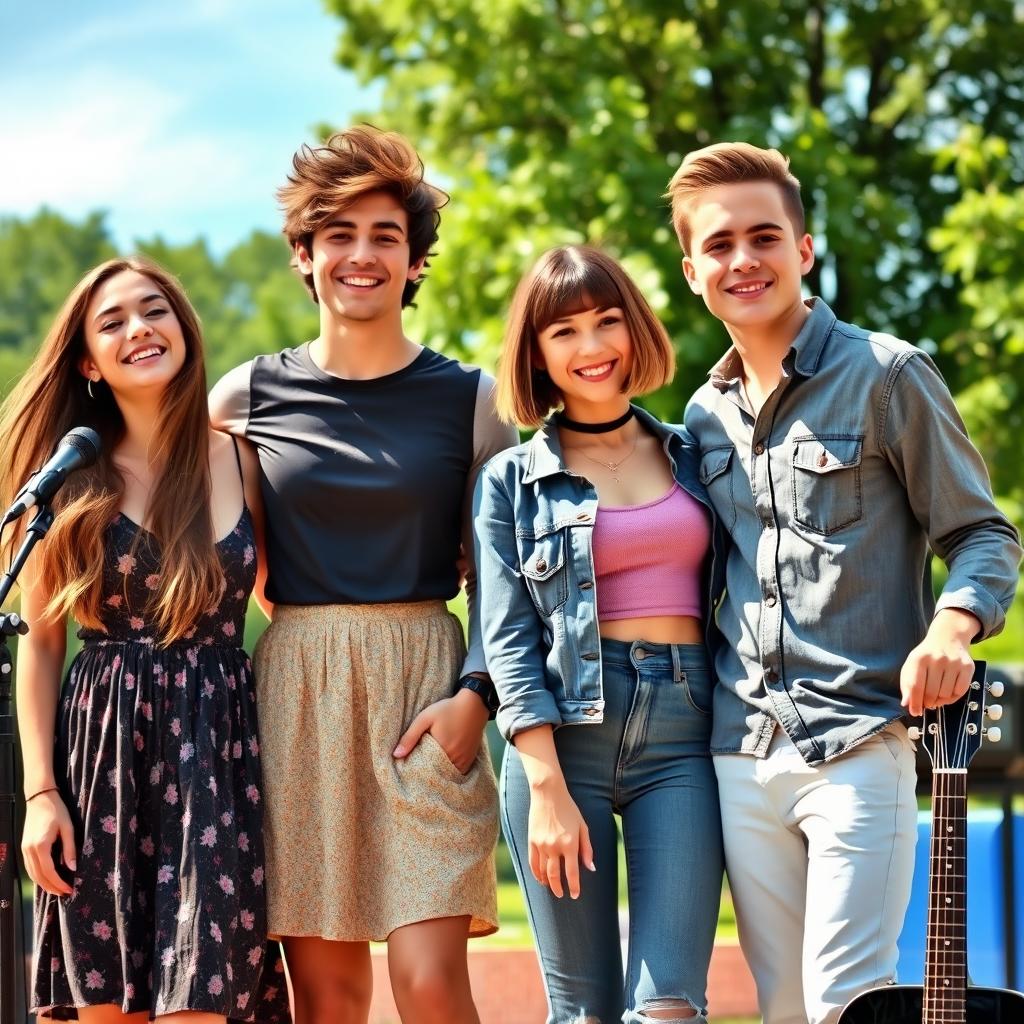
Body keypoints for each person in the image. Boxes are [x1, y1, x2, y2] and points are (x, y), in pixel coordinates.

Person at [666, 141, 1022, 1024]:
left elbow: (983, 534)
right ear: (691, 271)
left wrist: (952, 629)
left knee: (843, 1003)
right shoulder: (701, 416)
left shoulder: (887, 375)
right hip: (739, 750)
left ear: (803, 249)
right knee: (785, 1007)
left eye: (763, 237)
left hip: (862, 740)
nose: (742, 260)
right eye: (718, 246)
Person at [209, 126, 516, 1024]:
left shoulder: (473, 401)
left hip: (428, 684)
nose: (362, 254)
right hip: (298, 689)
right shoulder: (243, 398)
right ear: (305, 255)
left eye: (386, 235)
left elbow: (503, 579)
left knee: (428, 982)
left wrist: (478, 696)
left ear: (416, 261)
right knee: (330, 996)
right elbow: (227, 560)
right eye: (339, 234)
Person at [5, 257, 287, 1022]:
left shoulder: (242, 457)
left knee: (202, 998)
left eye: (155, 309)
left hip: (218, 761)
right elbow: (38, 644)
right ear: (87, 363)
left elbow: (282, 598)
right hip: (103, 761)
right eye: (114, 321)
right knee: (106, 1010)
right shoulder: (67, 477)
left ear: (184, 329)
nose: (140, 329)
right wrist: (40, 794)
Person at [474, 245, 724, 1023]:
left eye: (607, 322)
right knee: (583, 1012)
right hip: (562, 740)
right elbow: (507, 636)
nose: (591, 348)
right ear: (537, 353)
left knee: (671, 1006)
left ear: (634, 328)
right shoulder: (511, 481)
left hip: (686, 731)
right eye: (564, 332)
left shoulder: (699, 454)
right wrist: (544, 783)